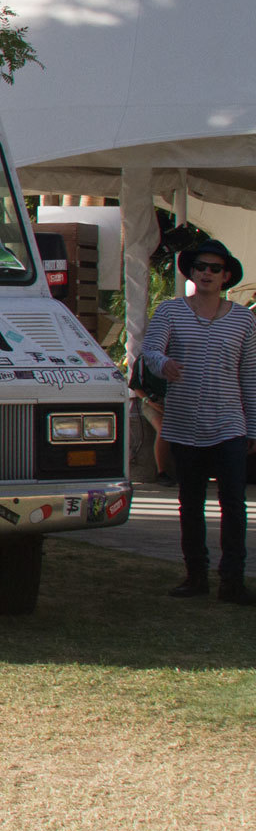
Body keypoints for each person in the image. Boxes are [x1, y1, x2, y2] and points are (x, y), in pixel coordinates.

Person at [141, 240, 256, 605]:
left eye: (214, 268)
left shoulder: (243, 319)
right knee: (190, 504)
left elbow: (250, 376)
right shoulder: (171, 312)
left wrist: (252, 427)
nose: (206, 272)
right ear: (191, 272)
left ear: (225, 277)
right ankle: (195, 576)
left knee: (234, 505)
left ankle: (232, 580)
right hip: (183, 424)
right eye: (200, 266)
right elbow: (151, 350)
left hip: (229, 426)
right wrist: (164, 365)